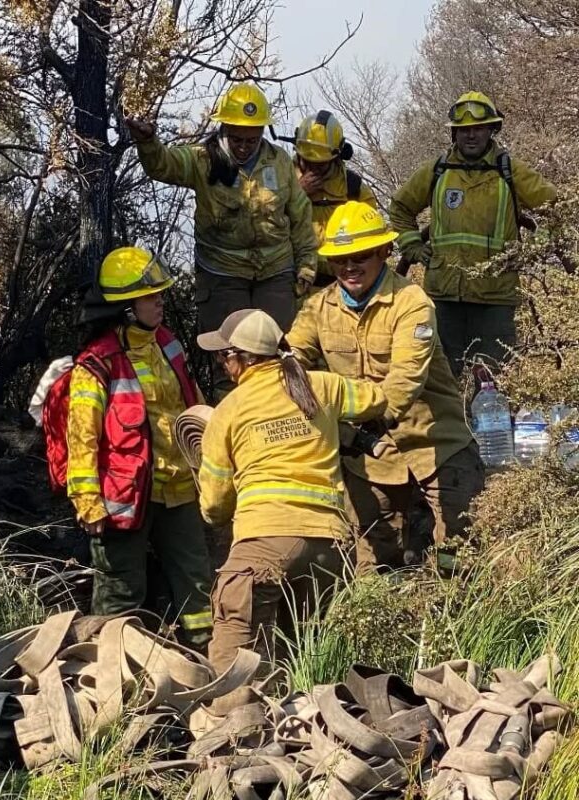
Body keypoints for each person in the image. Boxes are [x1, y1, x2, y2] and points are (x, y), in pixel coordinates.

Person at [287, 201, 483, 574]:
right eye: (340, 259)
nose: (349, 267)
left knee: (457, 551)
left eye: (360, 256)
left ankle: (455, 613)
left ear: (384, 252)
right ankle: (389, 619)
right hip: (371, 457)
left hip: (435, 444)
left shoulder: (412, 303)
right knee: (376, 554)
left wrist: (361, 422)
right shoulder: (317, 308)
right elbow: (291, 360)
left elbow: (406, 379)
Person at [197, 308, 388, 674]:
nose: (223, 363)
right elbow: (376, 399)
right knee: (304, 656)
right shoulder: (324, 386)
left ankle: (231, 723)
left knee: (234, 652)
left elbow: (215, 503)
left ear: (241, 358)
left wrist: (218, 514)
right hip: (330, 547)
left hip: (264, 542)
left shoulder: (228, 411)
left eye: (224, 355)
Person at [125, 83, 316, 395]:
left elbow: (299, 215)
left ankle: (286, 432)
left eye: (252, 140)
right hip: (223, 276)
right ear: (224, 127)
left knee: (282, 357)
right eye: (237, 138)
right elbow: (164, 164)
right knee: (230, 362)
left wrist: (307, 265)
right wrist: (148, 142)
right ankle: (232, 435)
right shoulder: (203, 160)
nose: (244, 146)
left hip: (276, 273)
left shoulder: (280, 162)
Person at [66, 246, 212, 645]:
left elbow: (193, 407)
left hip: (179, 488)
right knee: (120, 591)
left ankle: (206, 662)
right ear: (127, 307)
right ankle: (112, 675)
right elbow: (82, 438)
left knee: (196, 584)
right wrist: (87, 500)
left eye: (161, 294)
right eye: (152, 296)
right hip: (125, 499)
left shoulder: (168, 344)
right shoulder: (96, 363)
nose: (160, 301)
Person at [390, 91, 556, 378]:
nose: (470, 136)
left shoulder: (509, 171)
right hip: (444, 295)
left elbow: (556, 208)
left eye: (478, 128)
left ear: (492, 129)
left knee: (494, 379)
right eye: (464, 130)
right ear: (454, 133)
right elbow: (400, 208)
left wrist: (536, 248)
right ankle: (446, 425)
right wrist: (412, 245)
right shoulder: (438, 170)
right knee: (440, 377)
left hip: (495, 298)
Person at [292, 110, 379, 291]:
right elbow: (266, 223)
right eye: (307, 161)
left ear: (337, 156)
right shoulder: (283, 180)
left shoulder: (352, 187)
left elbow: (373, 234)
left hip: (344, 285)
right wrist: (298, 193)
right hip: (295, 285)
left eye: (321, 162)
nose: (313, 167)